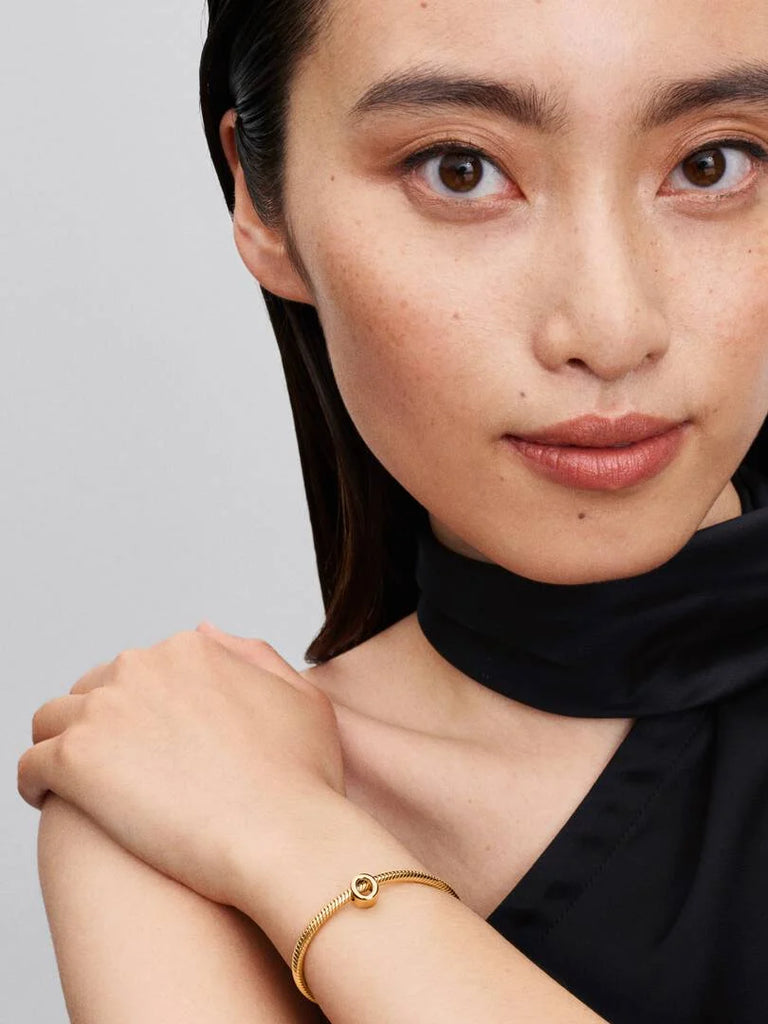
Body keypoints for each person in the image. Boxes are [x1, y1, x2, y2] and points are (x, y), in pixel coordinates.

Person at [22, 0, 768, 1020]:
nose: (609, 327)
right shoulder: (162, 789)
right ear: (262, 201)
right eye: (459, 169)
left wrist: (297, 844)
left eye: (716, 164)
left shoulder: (226, 804)